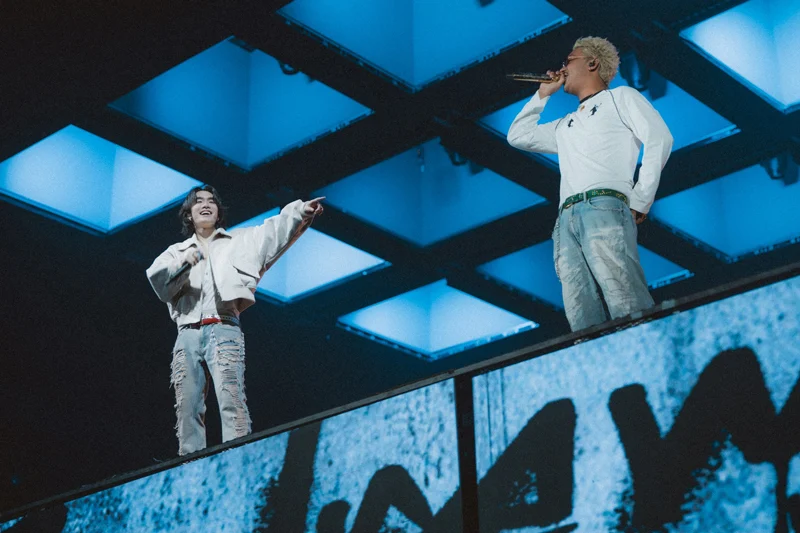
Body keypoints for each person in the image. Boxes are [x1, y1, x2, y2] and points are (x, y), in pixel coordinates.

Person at [507, 36, 673, 331]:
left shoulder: (621, 97)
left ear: (592, 63)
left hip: (604, 204)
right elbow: (518, 136)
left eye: (568, 61)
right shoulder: (566, 124)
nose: (562, 68)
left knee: (624, 296)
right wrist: (542, 95)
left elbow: (659, 138)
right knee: (580, 310)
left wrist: (641, 198)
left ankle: (642, 343)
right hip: (565, 217)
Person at [146, 185, 324, 455]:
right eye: (198, 202)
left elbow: (273, 232)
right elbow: (159, 282)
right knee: (187, 407)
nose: (206, 205)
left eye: (211, 201)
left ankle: (238, 456)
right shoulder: (176, 251)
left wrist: (300, 210)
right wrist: (188, 261)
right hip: (187, 333)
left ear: (218, 213)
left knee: (231, 399)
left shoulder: (239, 241)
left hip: (223, 326)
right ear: (189, 214)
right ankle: (189, 465)